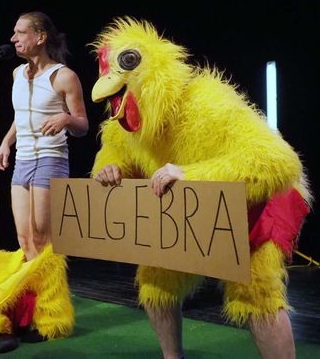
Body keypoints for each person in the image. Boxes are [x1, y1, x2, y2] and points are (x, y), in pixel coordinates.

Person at [91, 18, 311, 359]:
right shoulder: (124, 126)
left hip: (262, 200)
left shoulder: (206, 102)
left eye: (128, 63)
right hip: (194, 205)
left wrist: (190, 174)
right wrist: (109, 168)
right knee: (155, 280)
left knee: (255, 291)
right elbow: (113, 153)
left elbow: (279, 163)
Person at [0, 11, 89, 261]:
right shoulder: (17, 74)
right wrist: (6, 143)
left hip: (50, 158)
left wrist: (65, 118)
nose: (13, 38)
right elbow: (22, 116)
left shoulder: (63, 76)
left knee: (43, 238)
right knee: (24, 238)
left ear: (40, 37)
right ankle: (36, 285)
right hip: (22, 160)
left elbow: (82, 125)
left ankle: (52, 285)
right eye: (14, 33)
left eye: (20, 33)